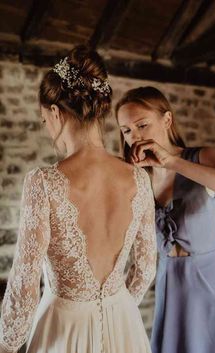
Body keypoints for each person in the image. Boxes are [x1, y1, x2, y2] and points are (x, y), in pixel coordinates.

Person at [0, 48, 157, 353]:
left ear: (56, 113)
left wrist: (6, 345)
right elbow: (147, 267)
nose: (48, 129)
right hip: (124, 324)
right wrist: (117, 307)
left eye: (45, 120)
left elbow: (25, 284)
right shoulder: (139, 179)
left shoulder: (42, 182)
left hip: (63, 331)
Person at [116, 86, 215, 353]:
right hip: (169, 282)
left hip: (212, 282)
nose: (134, 136)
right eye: (126, 130)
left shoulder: (204, 157)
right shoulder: (138, 176)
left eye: (142, 125)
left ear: (167, 120)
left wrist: (172, 162)